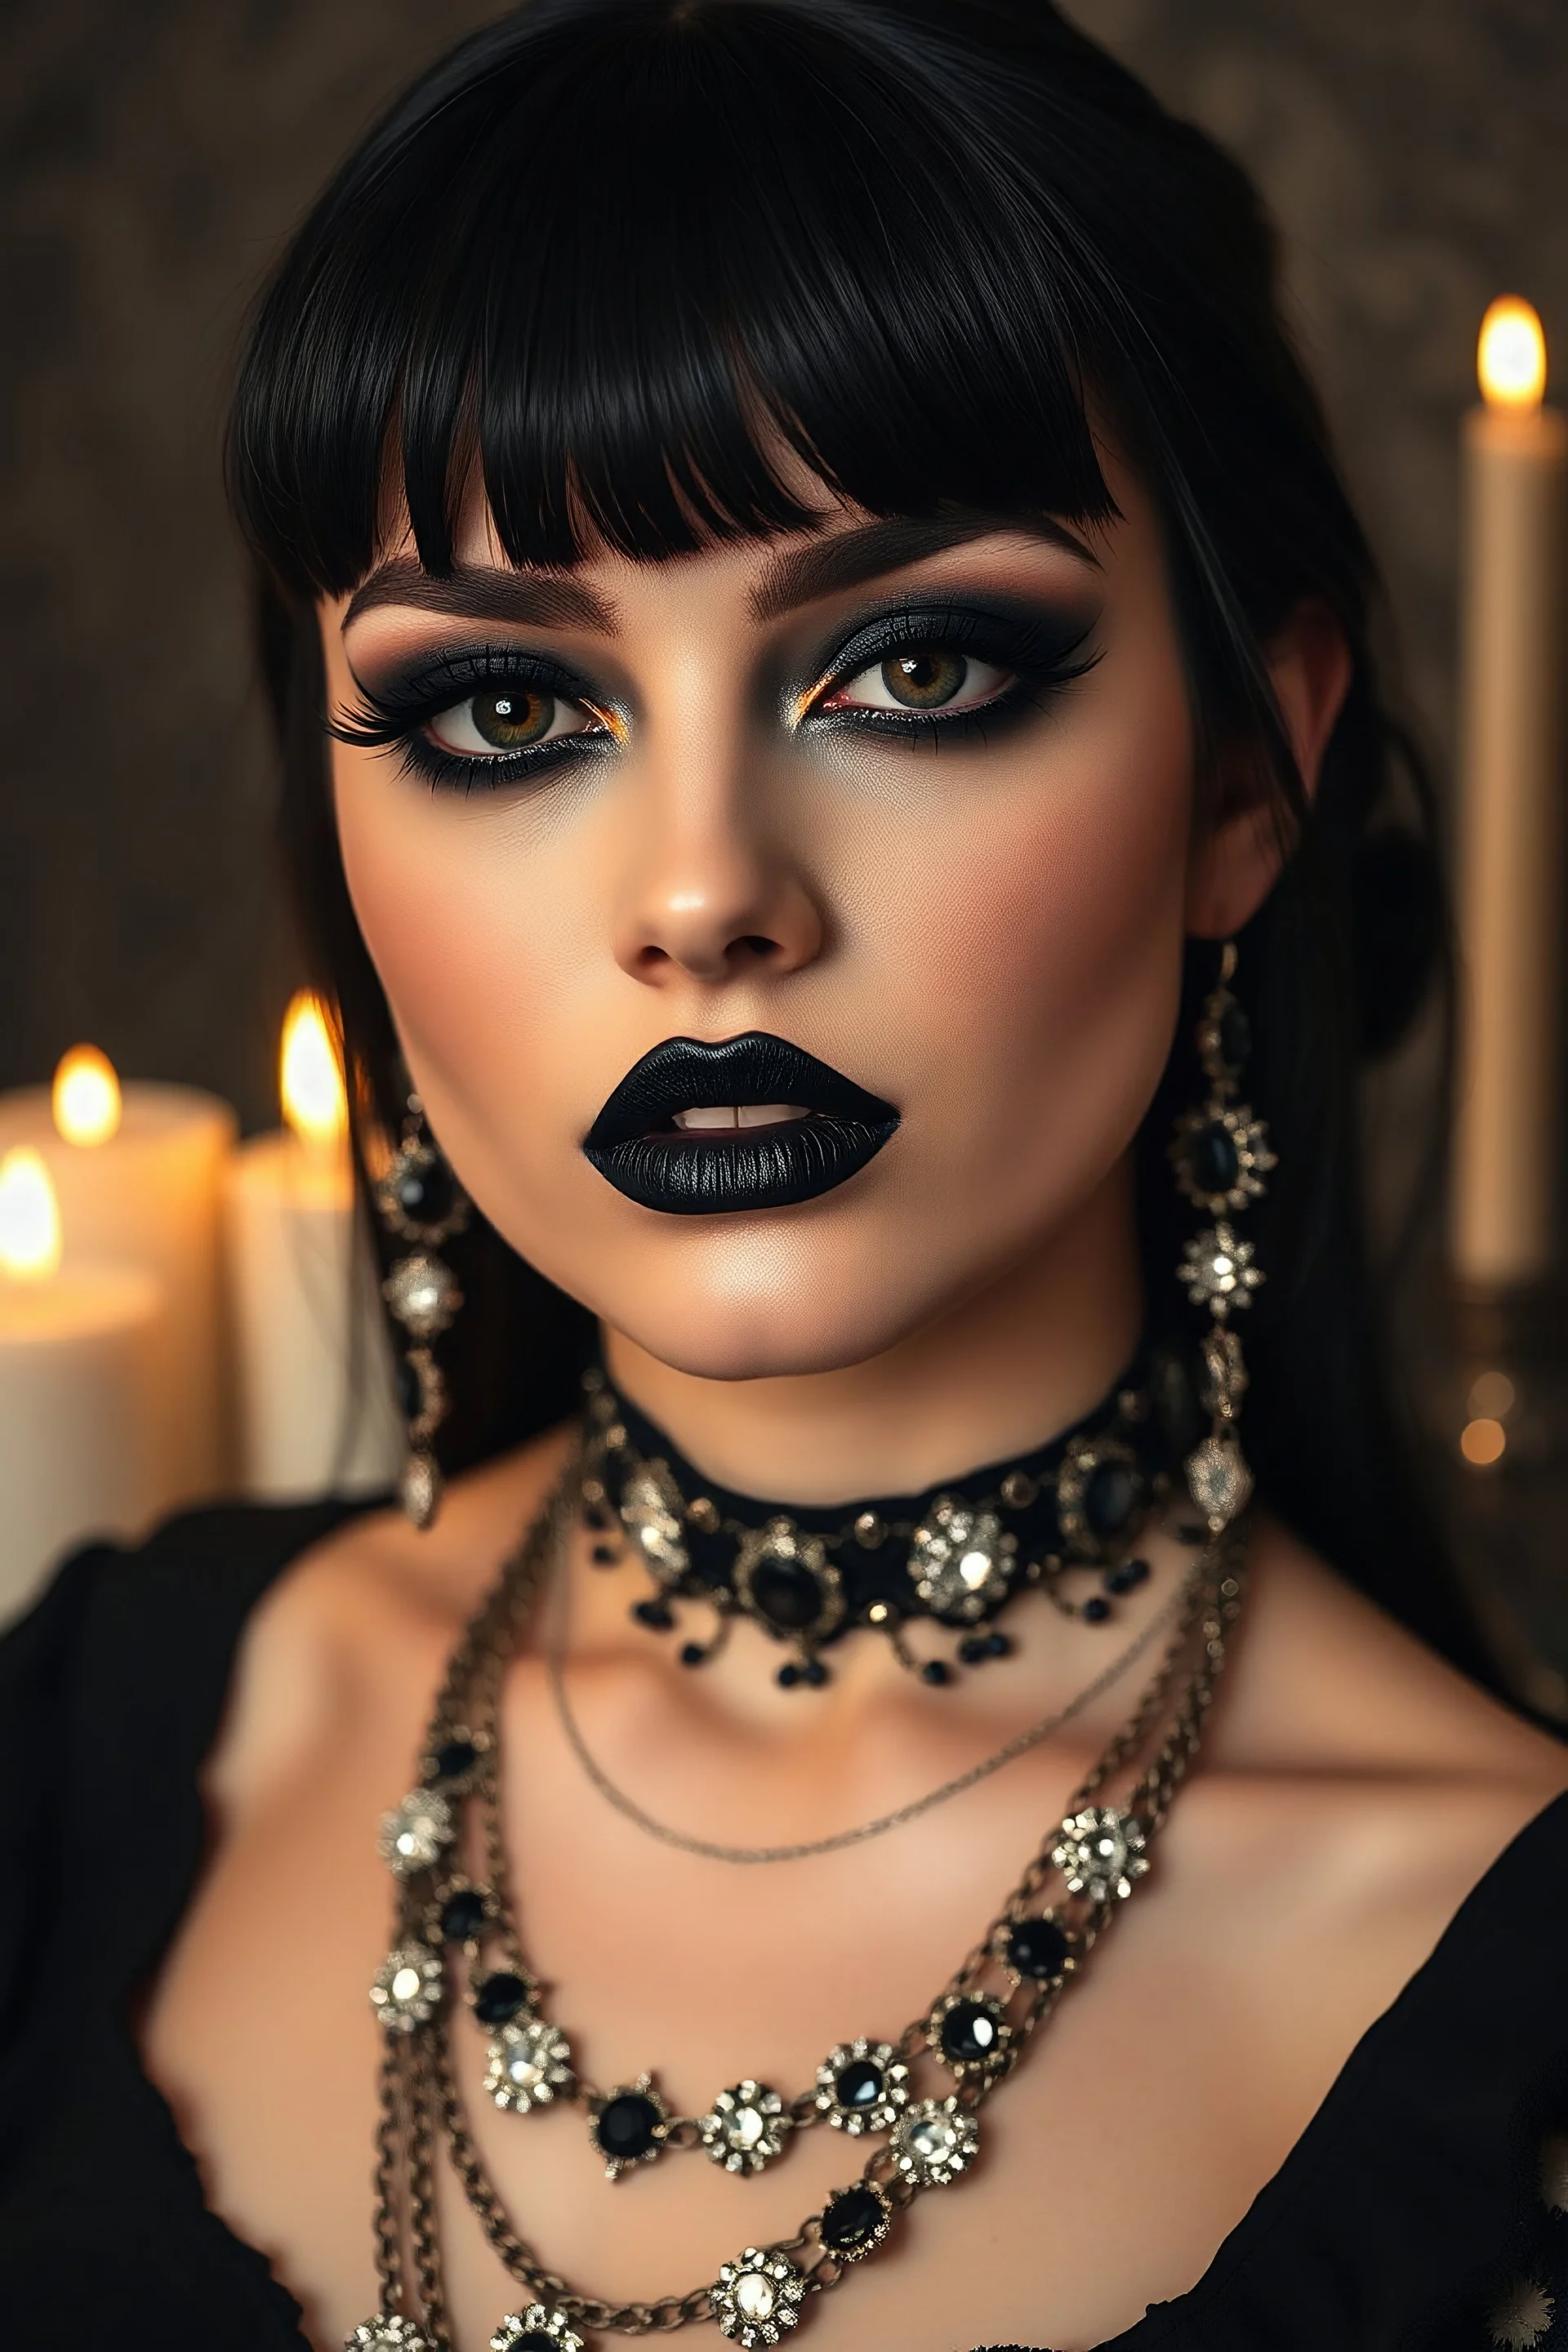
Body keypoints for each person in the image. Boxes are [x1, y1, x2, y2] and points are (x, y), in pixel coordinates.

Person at [4, 4, 1566, 2347]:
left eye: (916, 672)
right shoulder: (107, 1725)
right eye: (508, 712)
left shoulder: (1500, 1990)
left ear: (1250, 772)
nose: (707, 893)